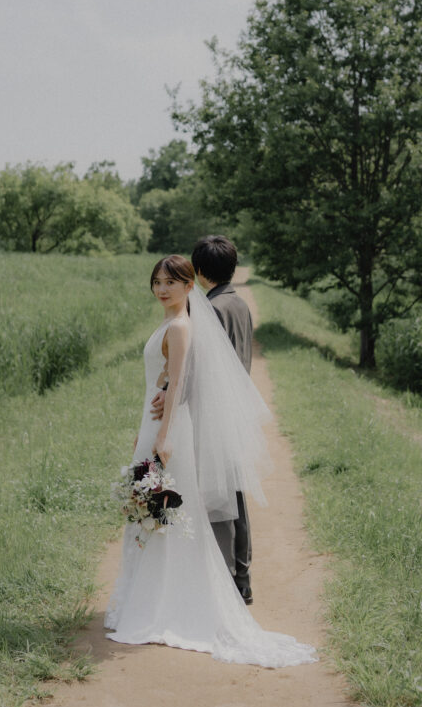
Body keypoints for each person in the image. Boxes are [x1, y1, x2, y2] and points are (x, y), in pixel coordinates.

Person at [104, 255, 316, 668]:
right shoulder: (170, 323)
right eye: (157, 281)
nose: (163, 288)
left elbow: (180, 382)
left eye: (172, 281)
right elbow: (162, 381)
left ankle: (172, 602)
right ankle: (153, 595)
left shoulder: (182, 326)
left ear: (190, 286)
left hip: (168, 434)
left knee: (168, 517)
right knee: (153, 517)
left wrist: (163, 436)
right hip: (153, 429)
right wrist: (143, 432)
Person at [151, 235, 254, 603]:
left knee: (211, 496)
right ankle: (241, 578)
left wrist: (169, 395)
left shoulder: (209, 311)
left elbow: (196, 367)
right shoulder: (238, 304)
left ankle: (220, 580)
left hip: (210, 412)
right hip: (233, 411)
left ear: (198, 271)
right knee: (234, 495)